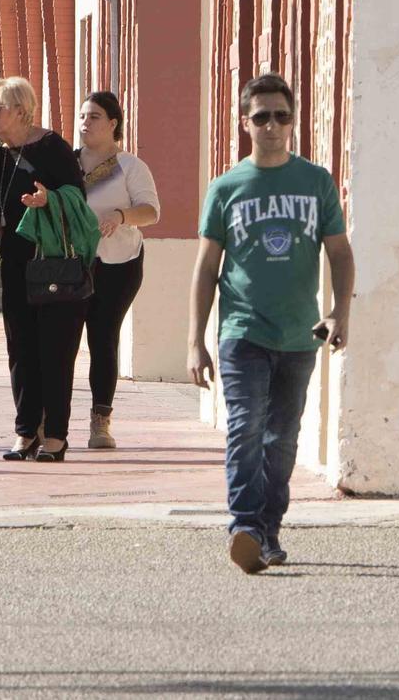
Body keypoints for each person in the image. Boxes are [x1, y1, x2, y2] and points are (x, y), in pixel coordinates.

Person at [187, 73, 355, 574]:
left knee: (281, 438)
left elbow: (341, 254)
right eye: (261, 116)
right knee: (244, 427)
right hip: (242, 330)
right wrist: (195, 340)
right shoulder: (226, 188)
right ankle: (243, 526)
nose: (272, 125)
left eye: (282, 115)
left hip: (300, 333)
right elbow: (205, 268)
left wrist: (338, 311)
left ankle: (268, 532)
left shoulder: (315, 182)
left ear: (292, 120)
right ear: (246, 123)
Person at [0, 76, 86, 461]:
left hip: (53, 263)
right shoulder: (1, 154)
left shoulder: (52, 148)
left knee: (55, 349)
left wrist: (49, 201)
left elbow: (78, 199)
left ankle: (56, 435)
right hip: (14, 261)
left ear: (21, 111)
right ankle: (26, 430)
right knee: (20, 347)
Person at [75, 91, 161, 450]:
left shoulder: (130, 167)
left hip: (119, 263)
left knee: (103, 336)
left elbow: (151, 211)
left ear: (113, 124)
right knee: (60, 340)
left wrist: (121, 216)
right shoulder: (66, 163)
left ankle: (101, 420)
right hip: (71, 262)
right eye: (82, 115)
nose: (85, 122)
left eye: (94, 116)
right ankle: (49, 419)